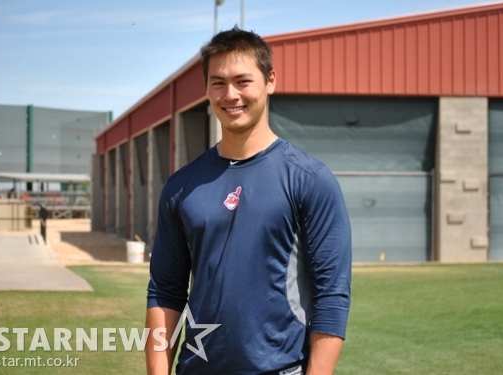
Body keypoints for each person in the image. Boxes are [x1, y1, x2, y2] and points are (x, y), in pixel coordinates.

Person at [146, 26, 352, 375]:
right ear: (207, 89)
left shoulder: (310, 180)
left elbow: (331, 295)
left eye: (243, 81)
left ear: (270, 81)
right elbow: (165, 292)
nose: (231, 95)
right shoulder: (181, 186)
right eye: (218, 82)